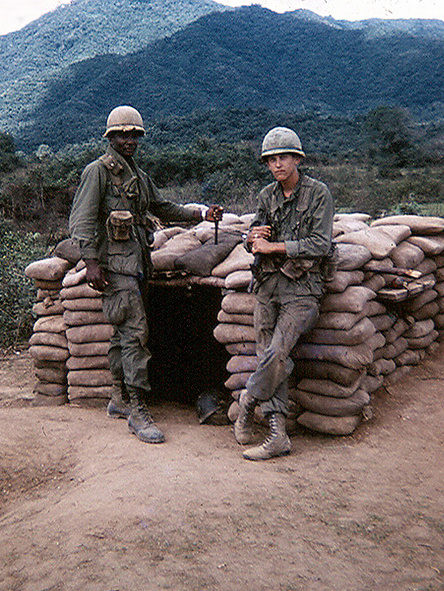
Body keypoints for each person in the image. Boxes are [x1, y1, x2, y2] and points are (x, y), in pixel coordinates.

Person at [69, 105, 222, 444]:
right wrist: (91, 262)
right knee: (136, 334)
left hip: (137, 264)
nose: (130, 140)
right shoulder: (98, 172)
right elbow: (80, 221)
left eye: (134, 135)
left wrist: (200, 212)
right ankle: (137, 410)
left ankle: (119, 398)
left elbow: (162, 207)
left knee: (122, 335)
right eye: (123, 135)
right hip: (115, 267)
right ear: (111, 137)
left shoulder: (135, 173)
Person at [234, 126, 334, 460]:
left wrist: (273, 246)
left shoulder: (318, 193)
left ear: (296, 159)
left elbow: (321, 245)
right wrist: (252, 240)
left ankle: (248, 400)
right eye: (271, 160)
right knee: (268, 355)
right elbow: (257, 244)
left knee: (277, 352)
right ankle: (278, 436)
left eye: (283, 158)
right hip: (267, 287)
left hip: (302, 289)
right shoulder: (266, 196)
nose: (277, 165)